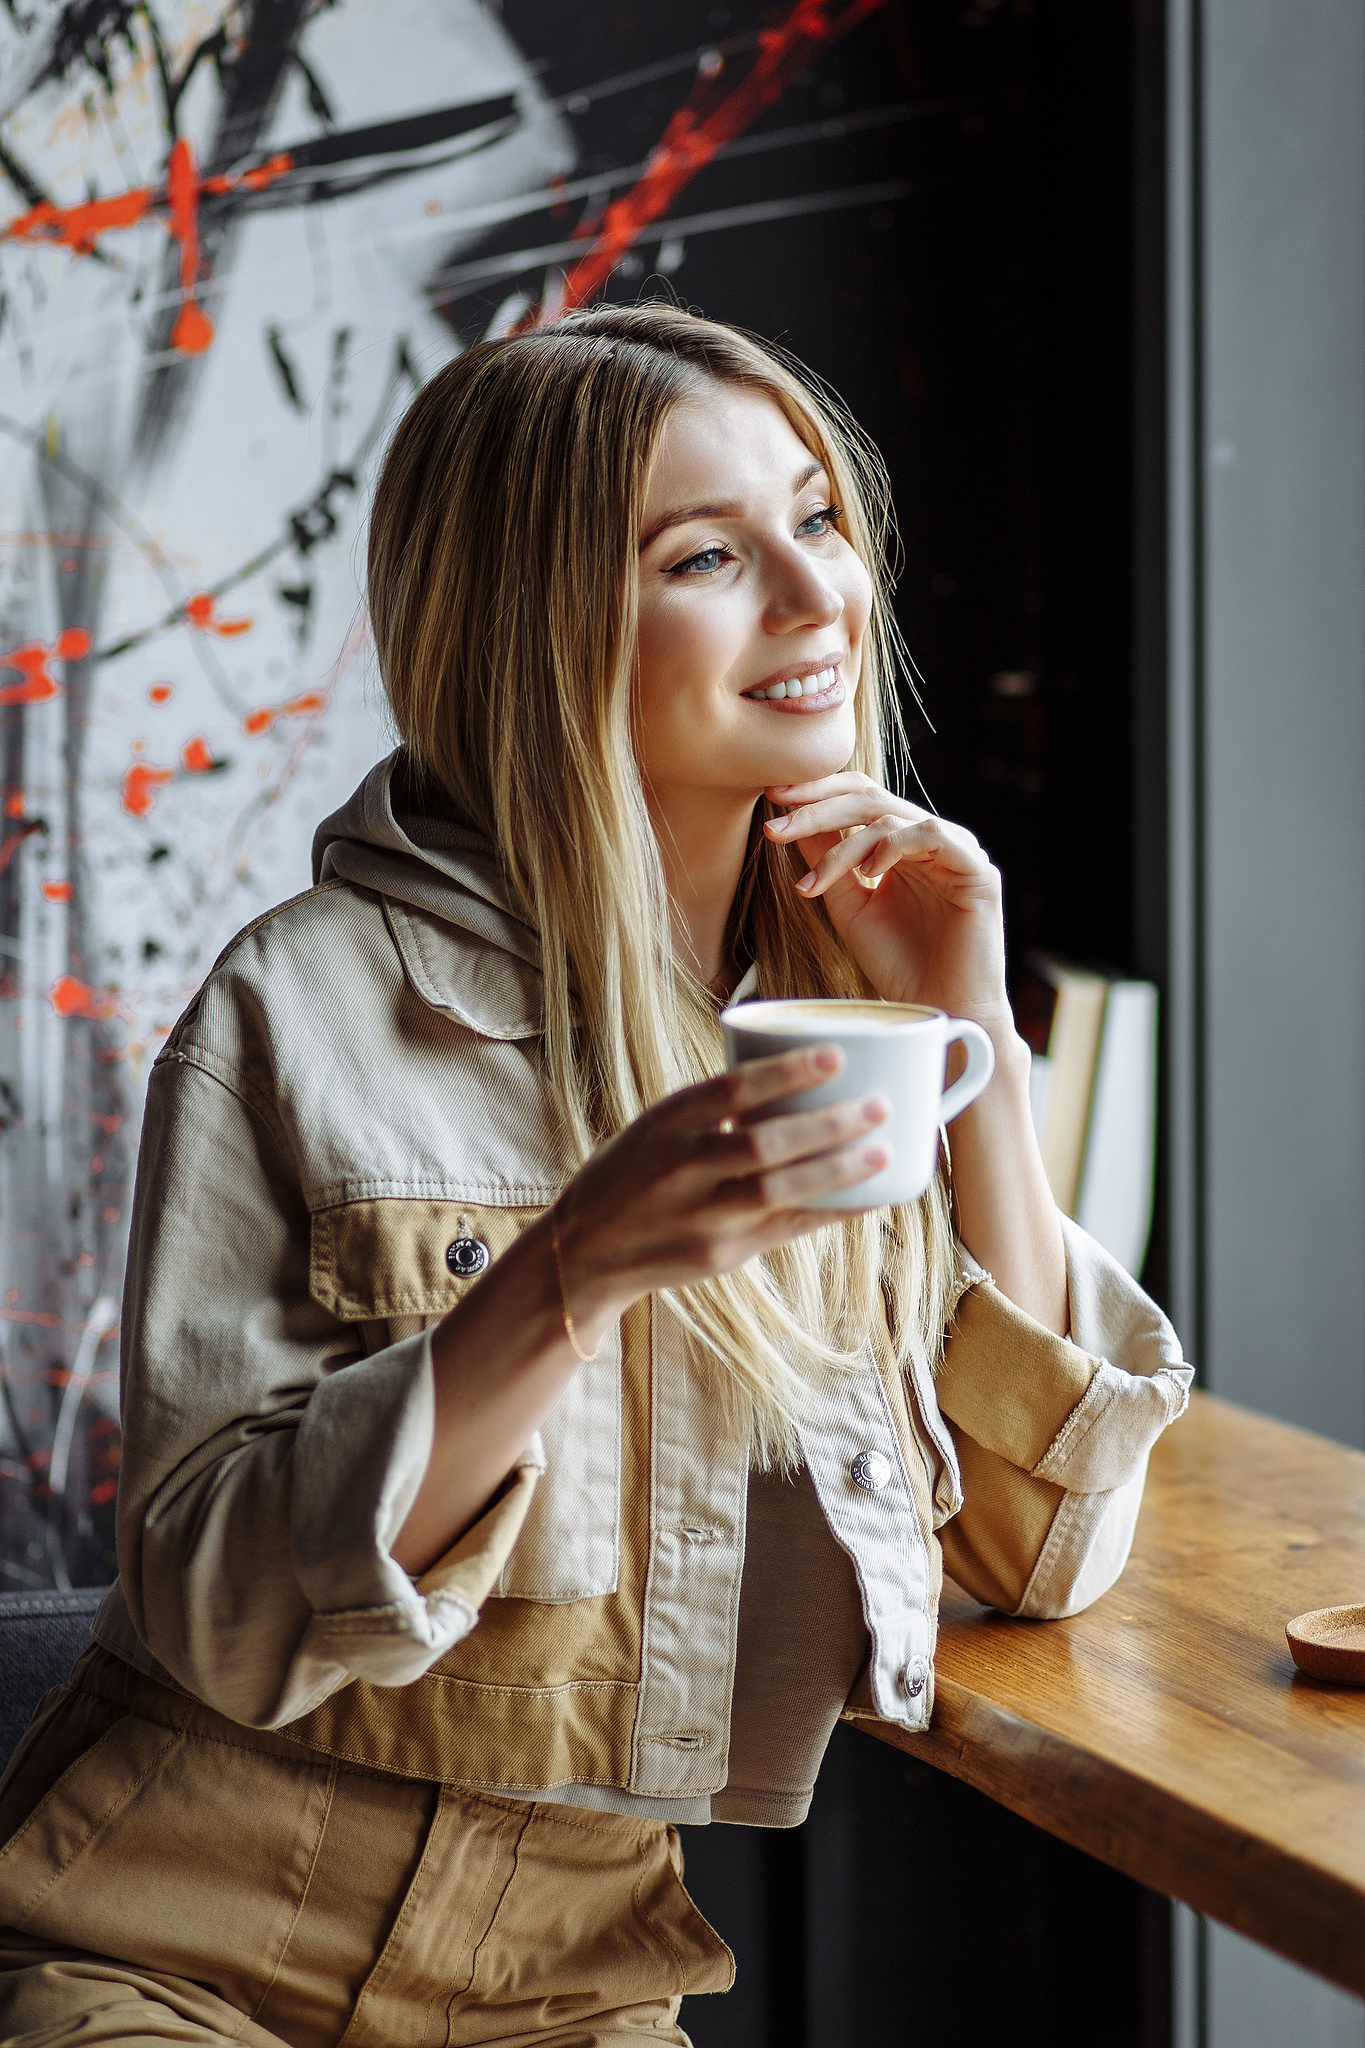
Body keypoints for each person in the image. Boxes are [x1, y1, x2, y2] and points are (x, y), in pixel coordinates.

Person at [0, 302, 1191, 2047]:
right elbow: (219, 1607)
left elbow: (1038, 1558)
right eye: (707, 555)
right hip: (166, 1945)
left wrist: (973, 1052)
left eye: (816, 520)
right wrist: (571, 1272)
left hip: (569, 1983)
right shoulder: (302, 1006)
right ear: (535, 626)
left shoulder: (835, 1032)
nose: (815, 595)